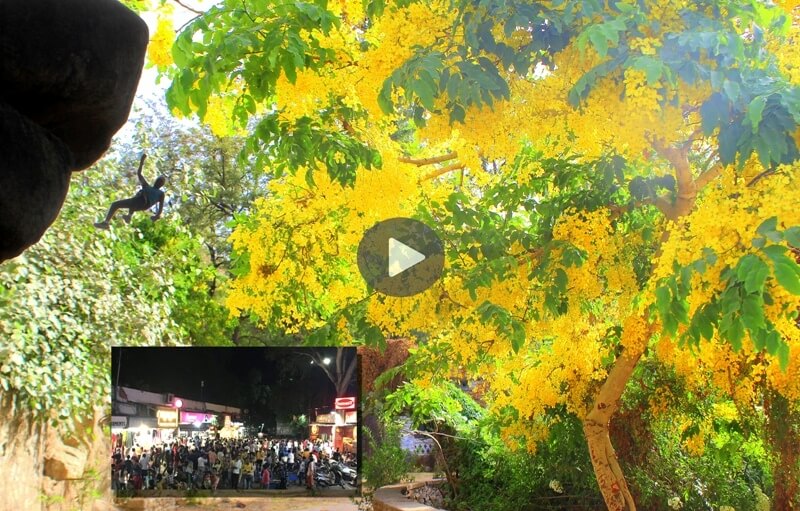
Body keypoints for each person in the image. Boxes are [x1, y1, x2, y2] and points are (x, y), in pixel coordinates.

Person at [94, 152, 166, 229]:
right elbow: (139, 174)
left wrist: (156, 216)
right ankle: (106, 223)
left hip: (144, 202)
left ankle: (129, 216)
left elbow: (160, 208)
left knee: (140, 197)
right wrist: (142, 162)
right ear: (155, 181)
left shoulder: (161, 194)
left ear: (161, 185)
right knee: (115, 204)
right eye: (158, 180)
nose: (158, 182)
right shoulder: (147, 186)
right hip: (138, 202)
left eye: (160, 182)